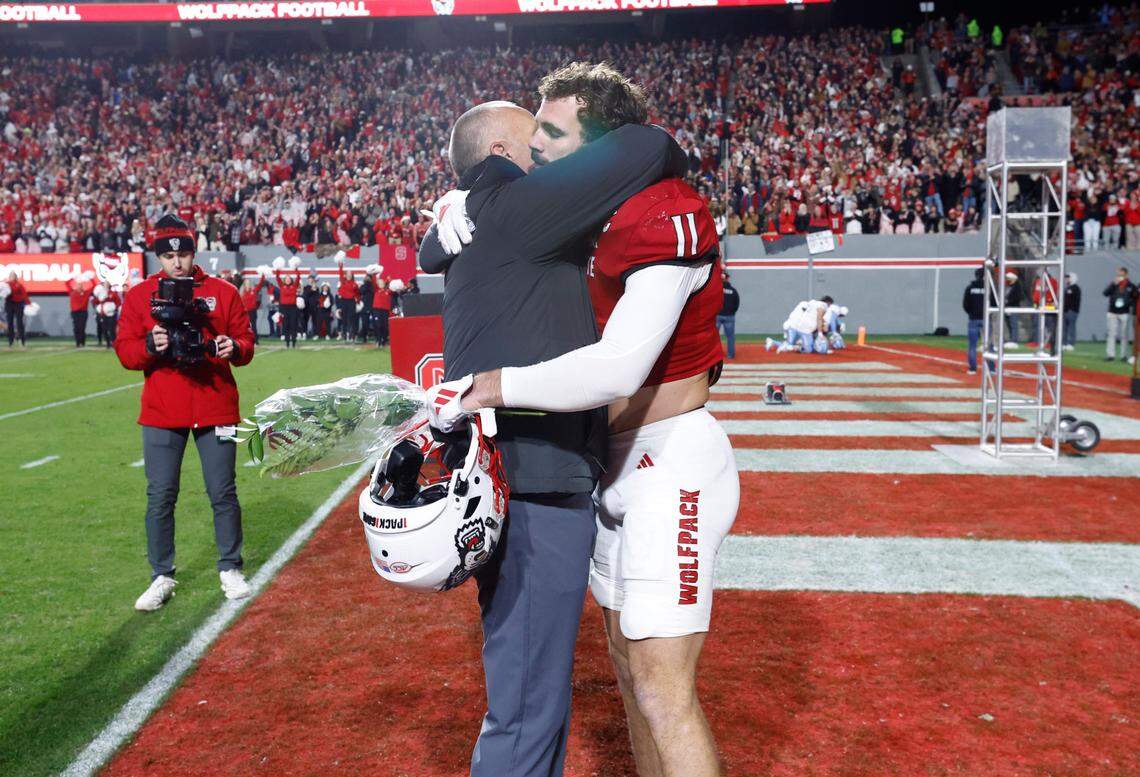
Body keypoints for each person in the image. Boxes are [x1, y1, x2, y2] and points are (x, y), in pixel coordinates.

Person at [428, 70, 737, 776]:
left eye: (553, 133)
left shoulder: (666, 207)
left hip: (670, 456)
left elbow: (619, 367)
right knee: (630, 678)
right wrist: (464, 196)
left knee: (663, 689)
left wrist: (498, 386)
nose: (536, 145)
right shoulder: (579, 216)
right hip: (611, 465)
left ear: (603, 147)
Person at [114, 214, 255, 611]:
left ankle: (230, 567)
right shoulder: (140, 295)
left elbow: (247, 342)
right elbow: (124, 351)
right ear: (158, 256)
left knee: (223, 492)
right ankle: (161, 575)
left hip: (217, 407)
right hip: (162, 411)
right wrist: (148, 344)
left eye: (184, 253)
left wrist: (234, 348)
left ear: (194, 252)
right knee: (160, 496)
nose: (177, 262)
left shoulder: (223, 292)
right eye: (168, 254)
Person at [1104, 267, 1138, 361]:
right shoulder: (1114, 284)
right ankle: (1110, 355)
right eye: (1118, 275)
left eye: (1121, 275)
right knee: (1111, 334)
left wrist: (1127, 303)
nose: (1119, 277)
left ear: (1126, 275)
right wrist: (1113, 284)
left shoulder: (1131, 286)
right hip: (1112, 312)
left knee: (1124, 335)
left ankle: (1124, 355)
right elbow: (1105, 293)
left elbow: (1135, 298)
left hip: (1124, 312)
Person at [963, 267, 986, 373]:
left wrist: (971, 313)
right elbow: (995, 303)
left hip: (973, 319)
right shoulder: (990, 288)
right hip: (986, 318)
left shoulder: (970, 288)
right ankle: (991, 368)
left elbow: (965, 304)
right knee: (989, 345)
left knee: (972, 345)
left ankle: (972, 368)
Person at [274, 261, 302, 348]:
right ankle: (287, 343)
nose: (288, 280)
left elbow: (298, 277)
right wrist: (278, 269)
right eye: (286, 278)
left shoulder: (294, 286)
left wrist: (296, 269)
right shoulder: (282, 286)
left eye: (289, 278)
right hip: (284, 308)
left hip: (293, 308)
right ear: (284, 280)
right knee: (285, 325)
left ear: (291, 280)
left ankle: (293, 342)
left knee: (293, 325)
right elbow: (277, 277)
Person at [65, 271, 96, 347]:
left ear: (82, 286)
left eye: (81, 285)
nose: (79, 286)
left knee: (82, 327)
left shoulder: (86, 293)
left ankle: (82, 342)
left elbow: (94, 285)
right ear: (76, 286)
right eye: (78, 285)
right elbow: (66, 283)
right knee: (76, 328)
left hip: (83, 312)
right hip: (74, 313)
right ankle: (77, 343)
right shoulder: (72, 292)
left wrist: (90, 278)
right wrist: (73, 277)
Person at [335, 256, 359, 341]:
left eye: (350, 275)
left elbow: (357, 294)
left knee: (351, 319)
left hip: (351, 302)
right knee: (344, 318)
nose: (349, 276)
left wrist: (358, 301)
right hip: (344, 301)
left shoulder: (355, 284)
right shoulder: (343, 281)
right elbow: (341, 273)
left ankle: (352, 335)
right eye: (347, 274)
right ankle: (344, 334)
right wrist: (341, 266)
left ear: (352, 276)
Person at [718, 271, 740, 360]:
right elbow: (737, 303)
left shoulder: (716, 289)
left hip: (717, 315)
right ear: (727, 278)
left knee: (713, 337)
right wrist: (732, 312)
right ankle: (730, 355)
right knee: (730, 337)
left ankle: (715, 356)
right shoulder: (733, 291)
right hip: (729, 316)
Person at [4, 271, 28, 348]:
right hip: (9, 304)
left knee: (19, 323)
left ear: (16, 277)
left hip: (18, 304)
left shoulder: (19, 285)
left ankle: (22, 341)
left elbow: (24, 295)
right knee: (10, 323)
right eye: (10, 276)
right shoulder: (5, 285)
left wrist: (28, 304)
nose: (11, 277)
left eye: (13, 276)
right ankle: (11, 341)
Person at [240, 275, 266, 343]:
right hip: (245, 312)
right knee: (245, 327)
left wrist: (263, 276)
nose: (247, 284)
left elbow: (260, 284)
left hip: (252, 311)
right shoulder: (242, 293)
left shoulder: (254, 290)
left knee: (253, 326)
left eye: (249, 283)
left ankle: (256, 340)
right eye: (246, 283)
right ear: (244, 284)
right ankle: (246, 340)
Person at [1062, 272, 1081, 351]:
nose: (1066, 279)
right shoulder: (1066, 288)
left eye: (1068, 278)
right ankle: (1064, 343)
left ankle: (1071, 343)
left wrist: (1072, 309)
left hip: (1072, 311)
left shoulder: (1075, 288)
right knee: (1064, 328)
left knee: (1071, 327)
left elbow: (1074, 301)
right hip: (1065, 310)